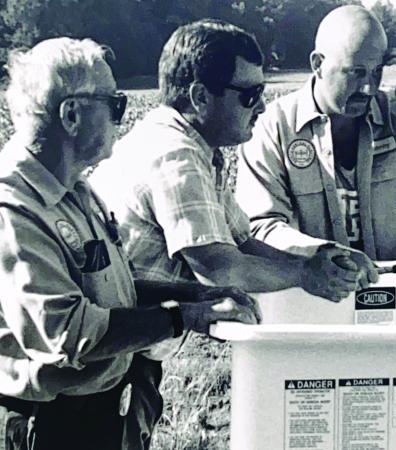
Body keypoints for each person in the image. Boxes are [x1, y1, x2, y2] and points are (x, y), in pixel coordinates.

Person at [0, 37, 259, 450]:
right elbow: (70, 333)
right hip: (38, 427)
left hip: (86, 417)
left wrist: (194, 293)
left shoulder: (73, 190)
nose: (120, 118)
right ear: (72, 115)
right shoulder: (8, 209)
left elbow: (112, 291)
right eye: (114, 105)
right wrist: (184, 317)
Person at [85, 20, 368, 445]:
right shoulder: (175, 155)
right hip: (104, 361)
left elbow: (242, 241)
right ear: (200, 96)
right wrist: (305, 275)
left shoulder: (196, 147)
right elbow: (219, 267)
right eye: (250, 95)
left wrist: (317, 257)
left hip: (124, 352)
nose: (261, 107)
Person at [235, 5, 396, 267]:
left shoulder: (395, 115)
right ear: (318, 64)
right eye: (356, 72)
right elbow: (259, 228)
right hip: (309, 288)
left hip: (391, 284)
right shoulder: (273, 127)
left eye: (376, 72)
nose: (369, 87)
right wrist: (329, 258)